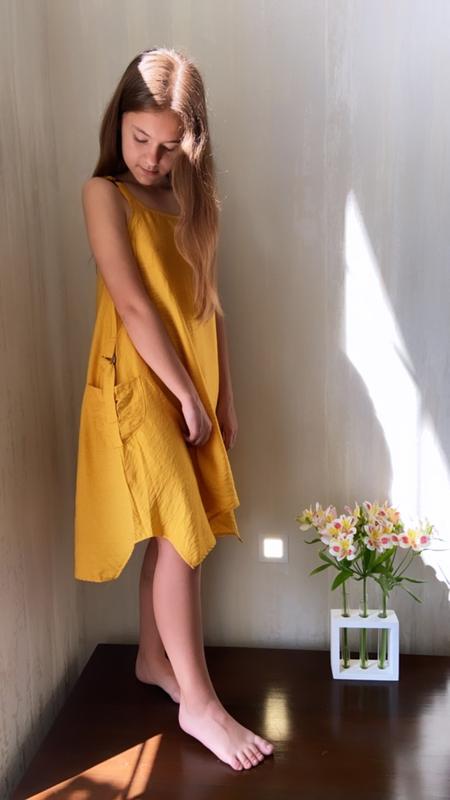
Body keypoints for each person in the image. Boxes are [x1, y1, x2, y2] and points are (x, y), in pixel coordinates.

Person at [74, 47, 274, 771]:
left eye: (167, 146)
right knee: (184, 535)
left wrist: (223, 395)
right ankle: (200, 703)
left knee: (172, 534)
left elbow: (208, 306)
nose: (151, 159)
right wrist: (187, 393)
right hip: (136, 385)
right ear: (117, 123)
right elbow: (131, 303)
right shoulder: (105, 194)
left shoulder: (190, 205)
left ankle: (153, 661)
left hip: (189, 384)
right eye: (140, 139)